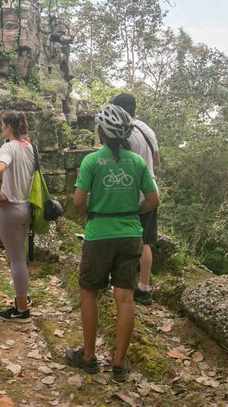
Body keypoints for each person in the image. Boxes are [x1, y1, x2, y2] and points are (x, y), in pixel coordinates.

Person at [65, 104, 159, 383]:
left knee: (89, 293)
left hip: (98, 235)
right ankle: (119, 365)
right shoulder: (138, 162)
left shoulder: (92, 162)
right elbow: (153, 200)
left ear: (101, 133)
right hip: (131, 235)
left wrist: (95, 213)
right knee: (125, 299)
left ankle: (89, 357)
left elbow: (79, 201)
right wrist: (131, 212)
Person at [112, 93, 160, 306]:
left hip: (129, 192)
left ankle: (121, 282)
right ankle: (144, 288)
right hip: (150, 191)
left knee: (122, 236)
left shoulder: (122, 133)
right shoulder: (147, 129)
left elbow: (119, 164)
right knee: (146, 240)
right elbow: (156, 162)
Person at [0, 111, 36, 322]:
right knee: (20, 257)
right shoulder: (31, 147)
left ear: (9, 127)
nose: (2, 129)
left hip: (10, 208)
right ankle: (23, 297)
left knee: (17, 259)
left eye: (3, 125)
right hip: (27, 206)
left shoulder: (8, 147)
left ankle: (21, 309)